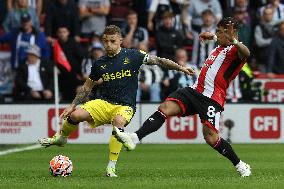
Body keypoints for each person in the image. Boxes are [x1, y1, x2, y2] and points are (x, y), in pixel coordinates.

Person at [38, 25, 195, 177]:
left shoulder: (133, 55)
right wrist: (72, 105)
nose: (108, 44)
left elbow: (159, 61)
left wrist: (181, 68)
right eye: (105, 41)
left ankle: (111, 167)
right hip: (104, 103)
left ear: (120, 40)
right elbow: (87, 87)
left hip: (125, 105)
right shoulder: (99, 64)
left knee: (118, 123)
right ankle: (61, 138)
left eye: (112, 41)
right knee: (75, 115)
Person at [114, 17, 252, 177]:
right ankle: (134, 138)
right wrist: (213, 37)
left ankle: (240, 165)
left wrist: (233, 40)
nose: (218, 34)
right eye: (218, 31)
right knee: (165, 108)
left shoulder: (236, 51)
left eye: (222, 32)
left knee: (212, 139)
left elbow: (246, 52)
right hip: (194, 91)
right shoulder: (220, 46)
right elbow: (222, 41)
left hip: (211, 98)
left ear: (233, 33)